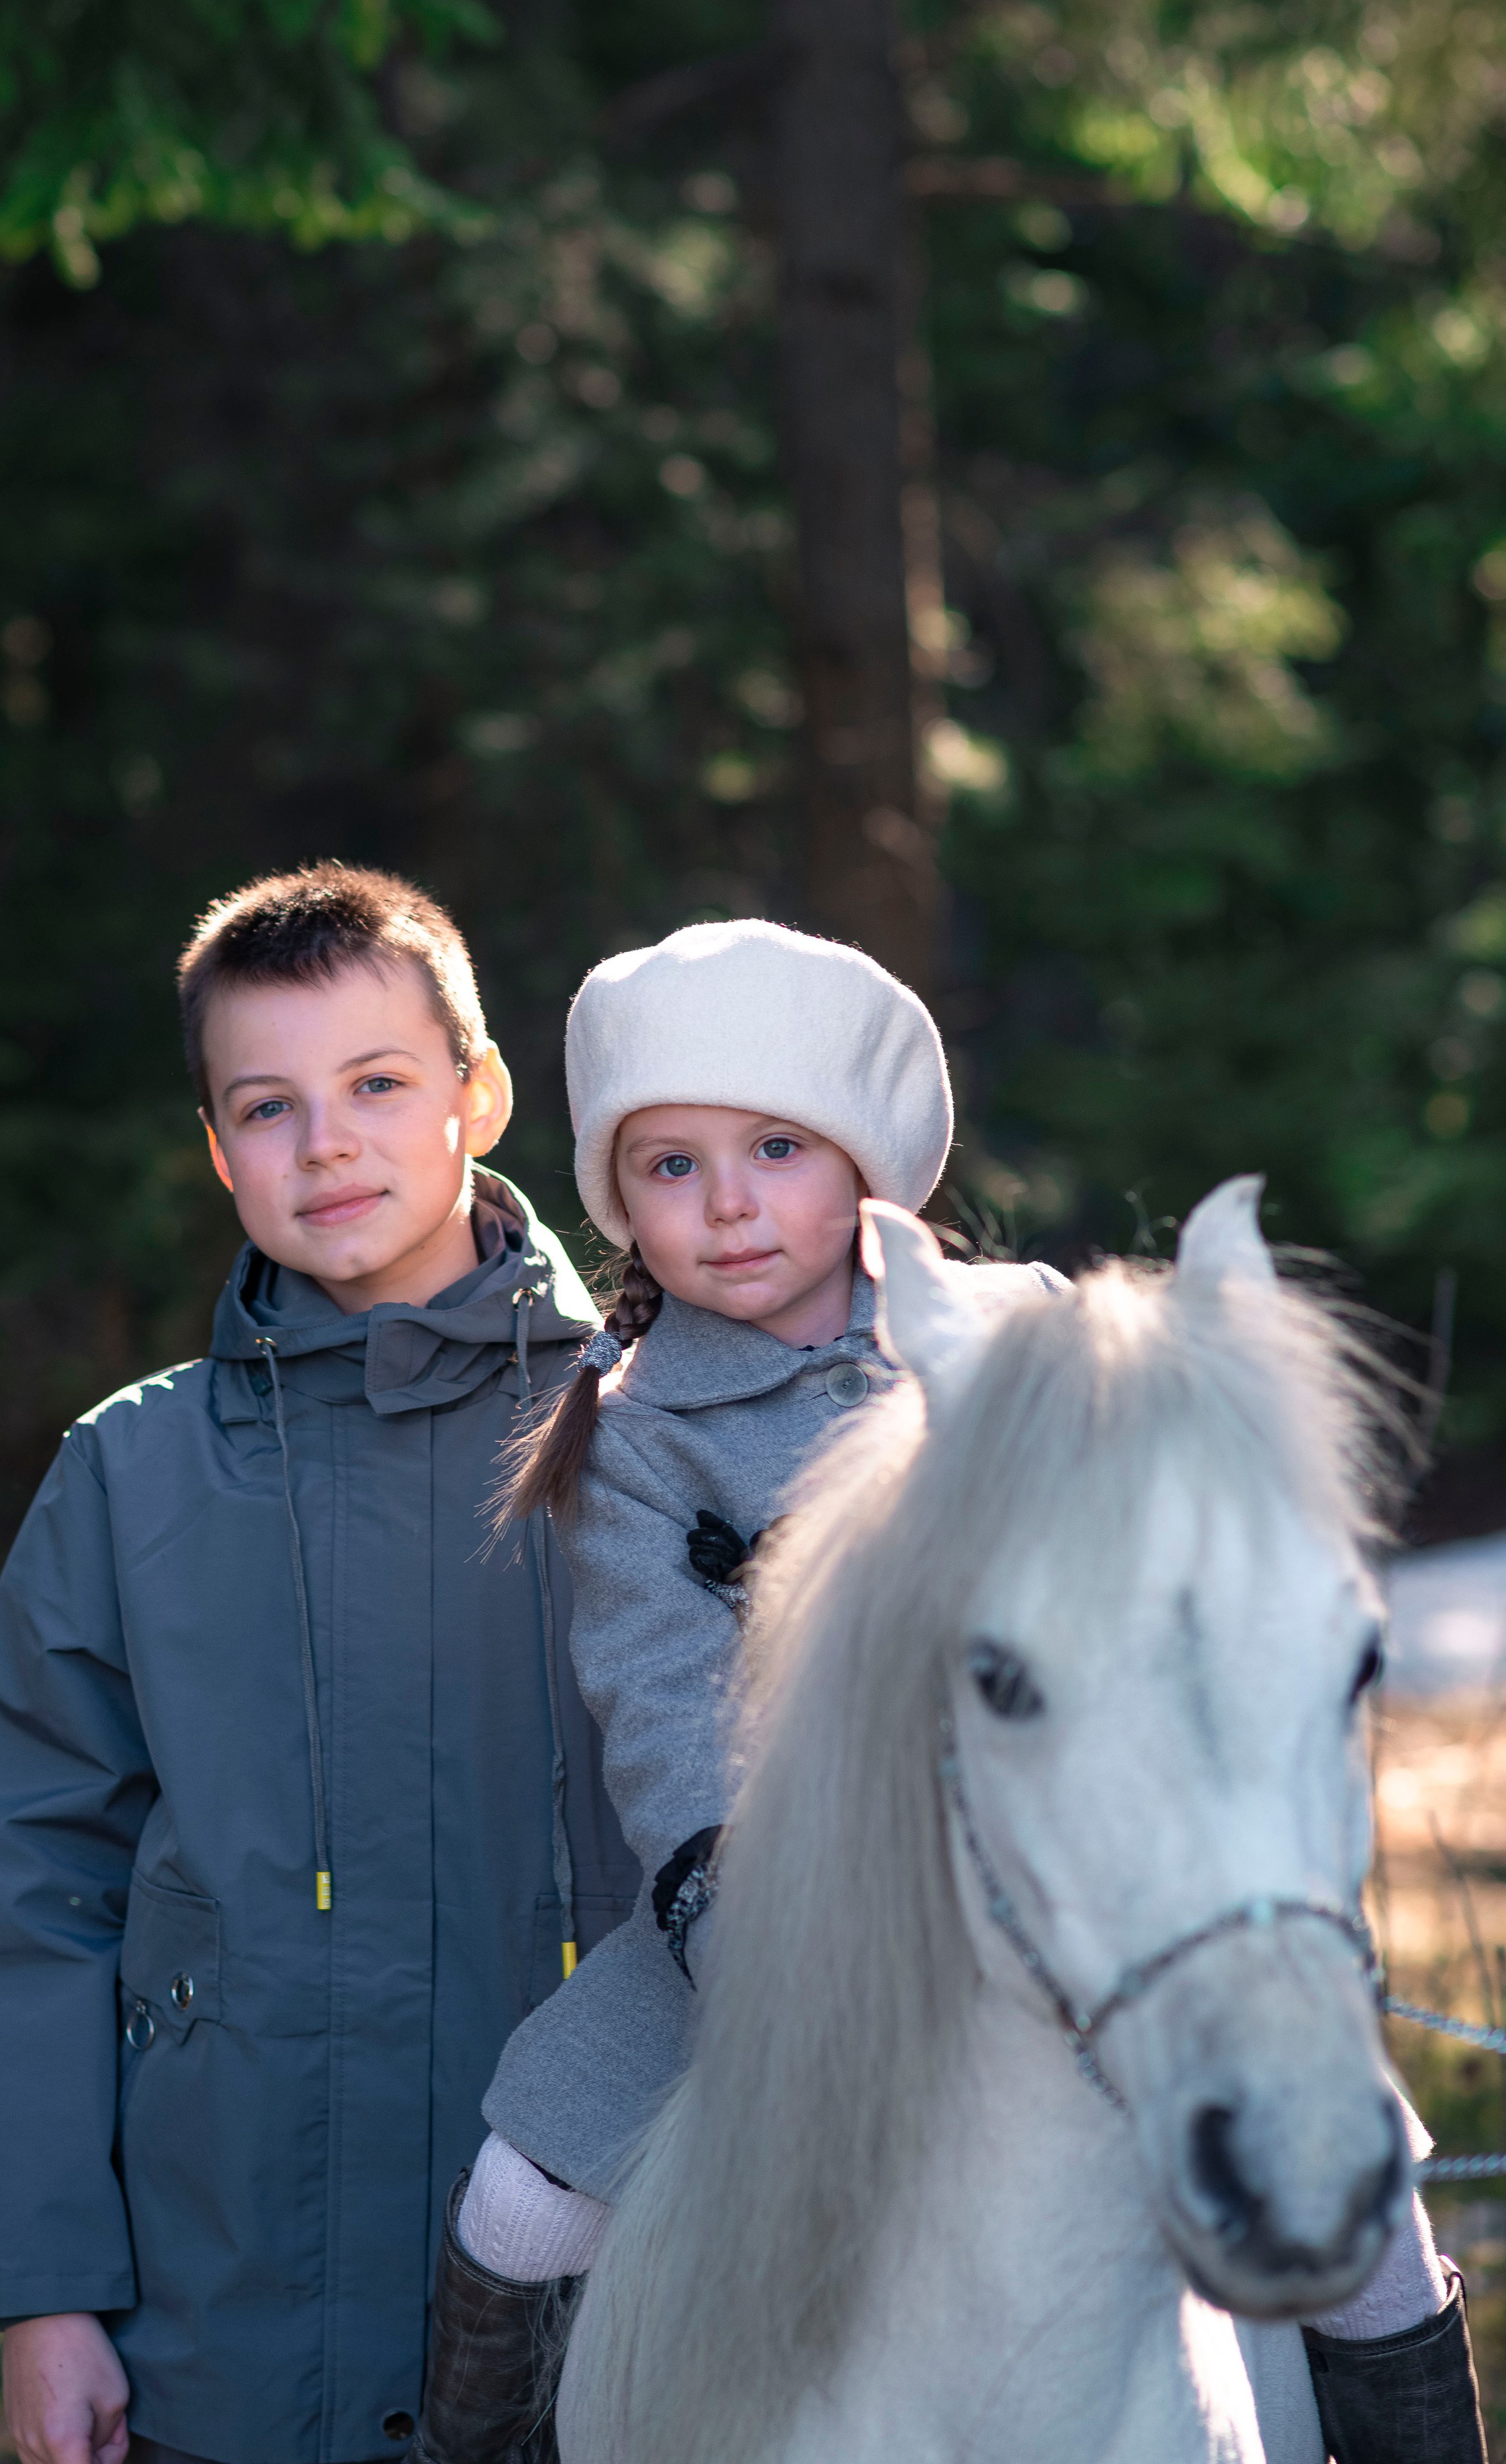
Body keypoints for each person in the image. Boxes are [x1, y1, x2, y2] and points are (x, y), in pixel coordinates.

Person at [416, 917, 1488, 2464]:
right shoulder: (635, 1435)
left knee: (1370, 2195)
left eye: (775, 1145)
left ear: (862, 1160)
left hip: (1067, 1874)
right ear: (619, 1204)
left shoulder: (1019, 1350)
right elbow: (654, 1703)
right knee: (520, 2199)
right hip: (768, 1920)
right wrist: (744, 1920)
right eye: (668, 1167)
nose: (725, 1203)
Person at [0, 862, 637, 2464]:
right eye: (267, 1104)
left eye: (379, 1082)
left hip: (622, 2323)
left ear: (480, 1093)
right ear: (218, 1149)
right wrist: (43, 2300)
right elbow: (20, 1889)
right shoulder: (133, 1475)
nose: (328, 1142)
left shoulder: (647, 1435)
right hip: (223, 2343)